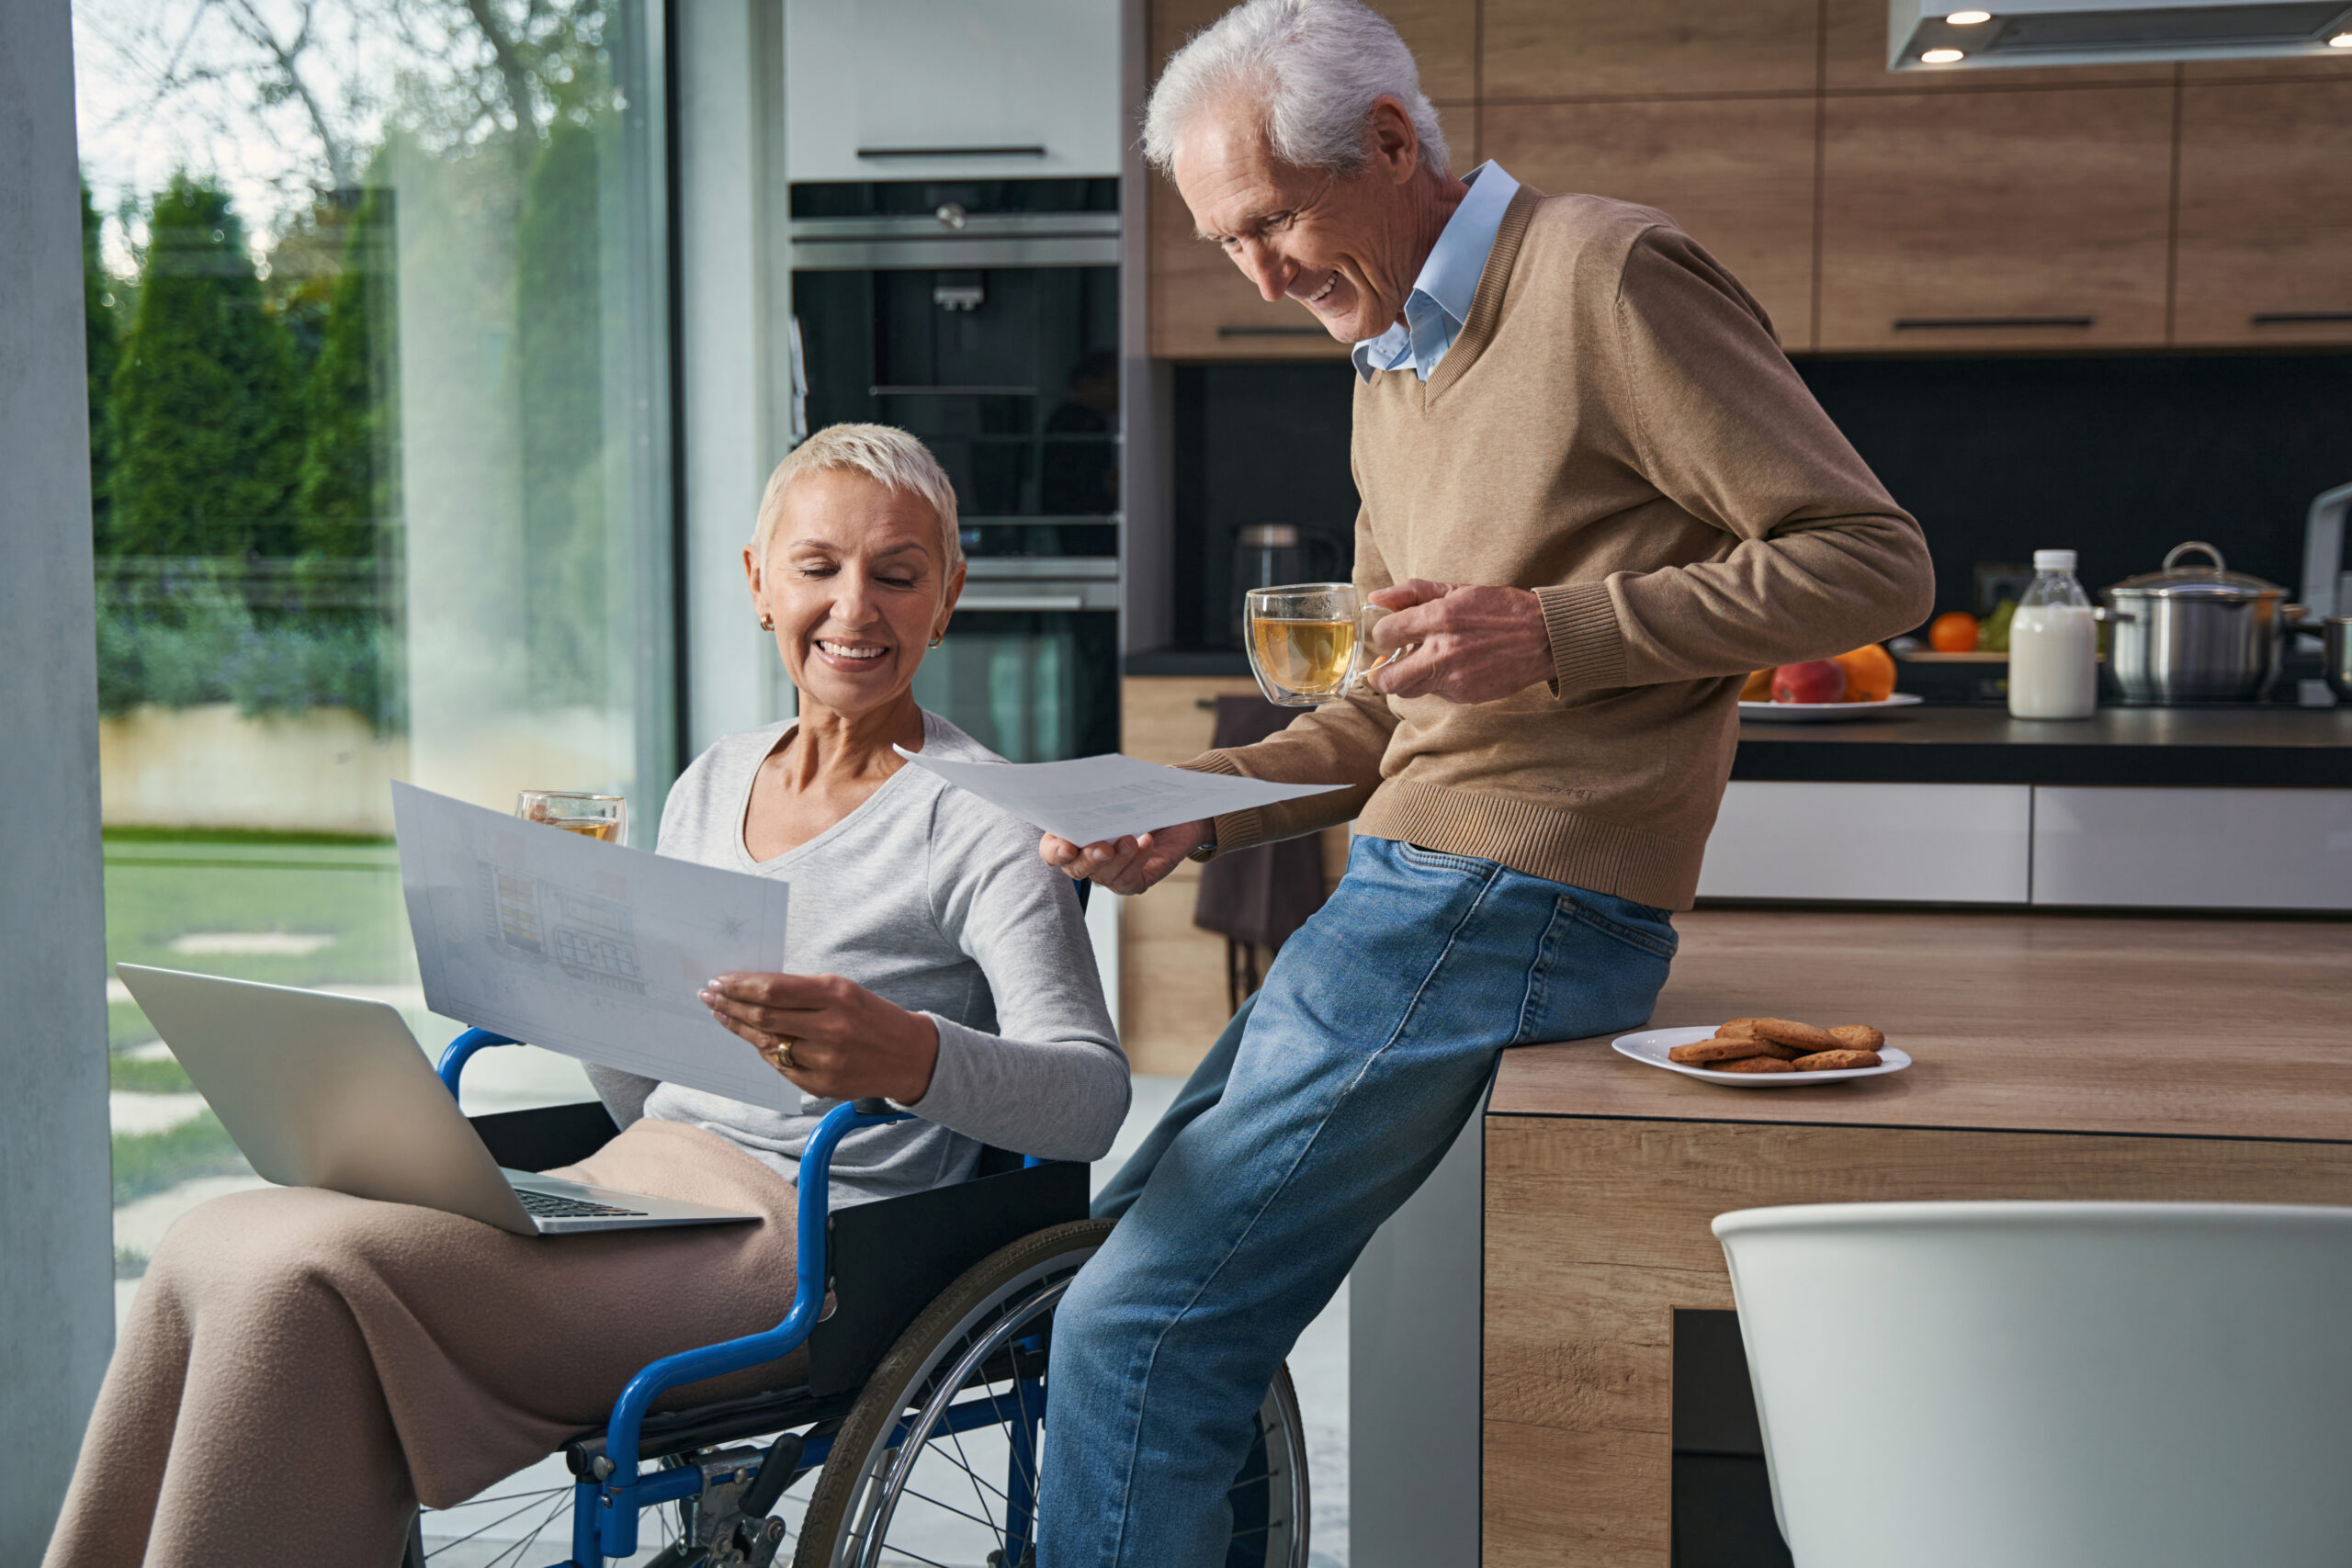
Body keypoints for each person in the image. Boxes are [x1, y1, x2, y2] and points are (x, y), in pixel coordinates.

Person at [1033, 3, 1935, 1563]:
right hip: (1413, 880)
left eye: (1275, 220)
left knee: (1134, 1329)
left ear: (1390, 146)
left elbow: (1875, 561)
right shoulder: (1390, 361)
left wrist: (1557, 630)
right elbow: (1383, 719)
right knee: (1131, 1274)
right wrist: (1198, 801)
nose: (1259, 274)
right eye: (1223, 239)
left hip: (1518, 893)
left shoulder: (1604, 274)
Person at [45, 423, 1126, 1568]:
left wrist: (908, 1057)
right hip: (643, 1184)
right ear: (759, 584)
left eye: (897, 575)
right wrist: (564, 970)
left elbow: (1091, 1100)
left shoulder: (989, 822)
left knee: (305, 1278)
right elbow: (647, 1090)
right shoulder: (713, 780)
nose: (854, 608)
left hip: (803, 1247)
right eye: (817, 567)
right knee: (217, 1237)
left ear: (946, 595)